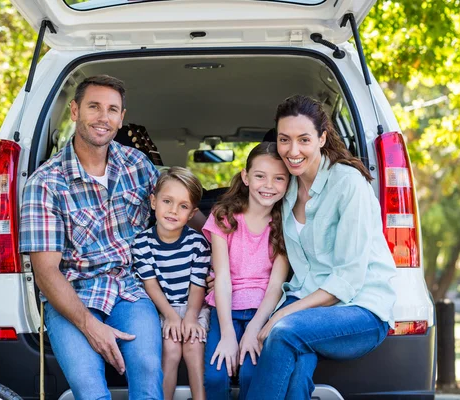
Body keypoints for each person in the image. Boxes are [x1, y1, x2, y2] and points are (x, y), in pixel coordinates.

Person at [19, 75, 163, 400]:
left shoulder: (137, 164)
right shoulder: (46, 183)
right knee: (89, 390)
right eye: (94, 107)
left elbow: (175, 212)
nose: (103, 117)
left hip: (129, 290)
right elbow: (46, 272)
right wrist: (90, 326)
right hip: (72, 295)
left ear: (121, 117)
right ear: (74, 111)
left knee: (148, 370)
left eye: (112, 110)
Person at [247, 95, 397, 399]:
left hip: (360, 309)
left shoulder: (348, 184)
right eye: (284, 139)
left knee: (286, 334)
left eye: (304, 139)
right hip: (308, 307)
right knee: (297, 366)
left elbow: (348, 281)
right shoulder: (286, 185)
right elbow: (247, 223)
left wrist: (278, 317)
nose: (293, 150)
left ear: (322, 138)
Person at [202, 142, 291, 400]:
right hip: (225, 308)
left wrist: (254, 329)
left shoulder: (285, 224)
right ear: (246, 177)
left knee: (252, 375)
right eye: (260, 176)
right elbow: (222, 278)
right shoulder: (224, 217)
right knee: (215, 375)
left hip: (262, 310)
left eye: (278, 178)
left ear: (287, 183)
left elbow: (276, 285)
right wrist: (228, 334)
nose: (268, 185)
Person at [132, 166, 210, 400]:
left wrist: (190, 317)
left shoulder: (198, 244)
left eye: (183, 206)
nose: (173, 211)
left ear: (192, 213)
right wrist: (171, 316)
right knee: (172, 349)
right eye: (167, 201)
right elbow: (151, 285)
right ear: (153, 202)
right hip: (162, 309)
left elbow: (198, 286)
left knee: (194, 347)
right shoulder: (142, 243)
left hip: (194, 307)